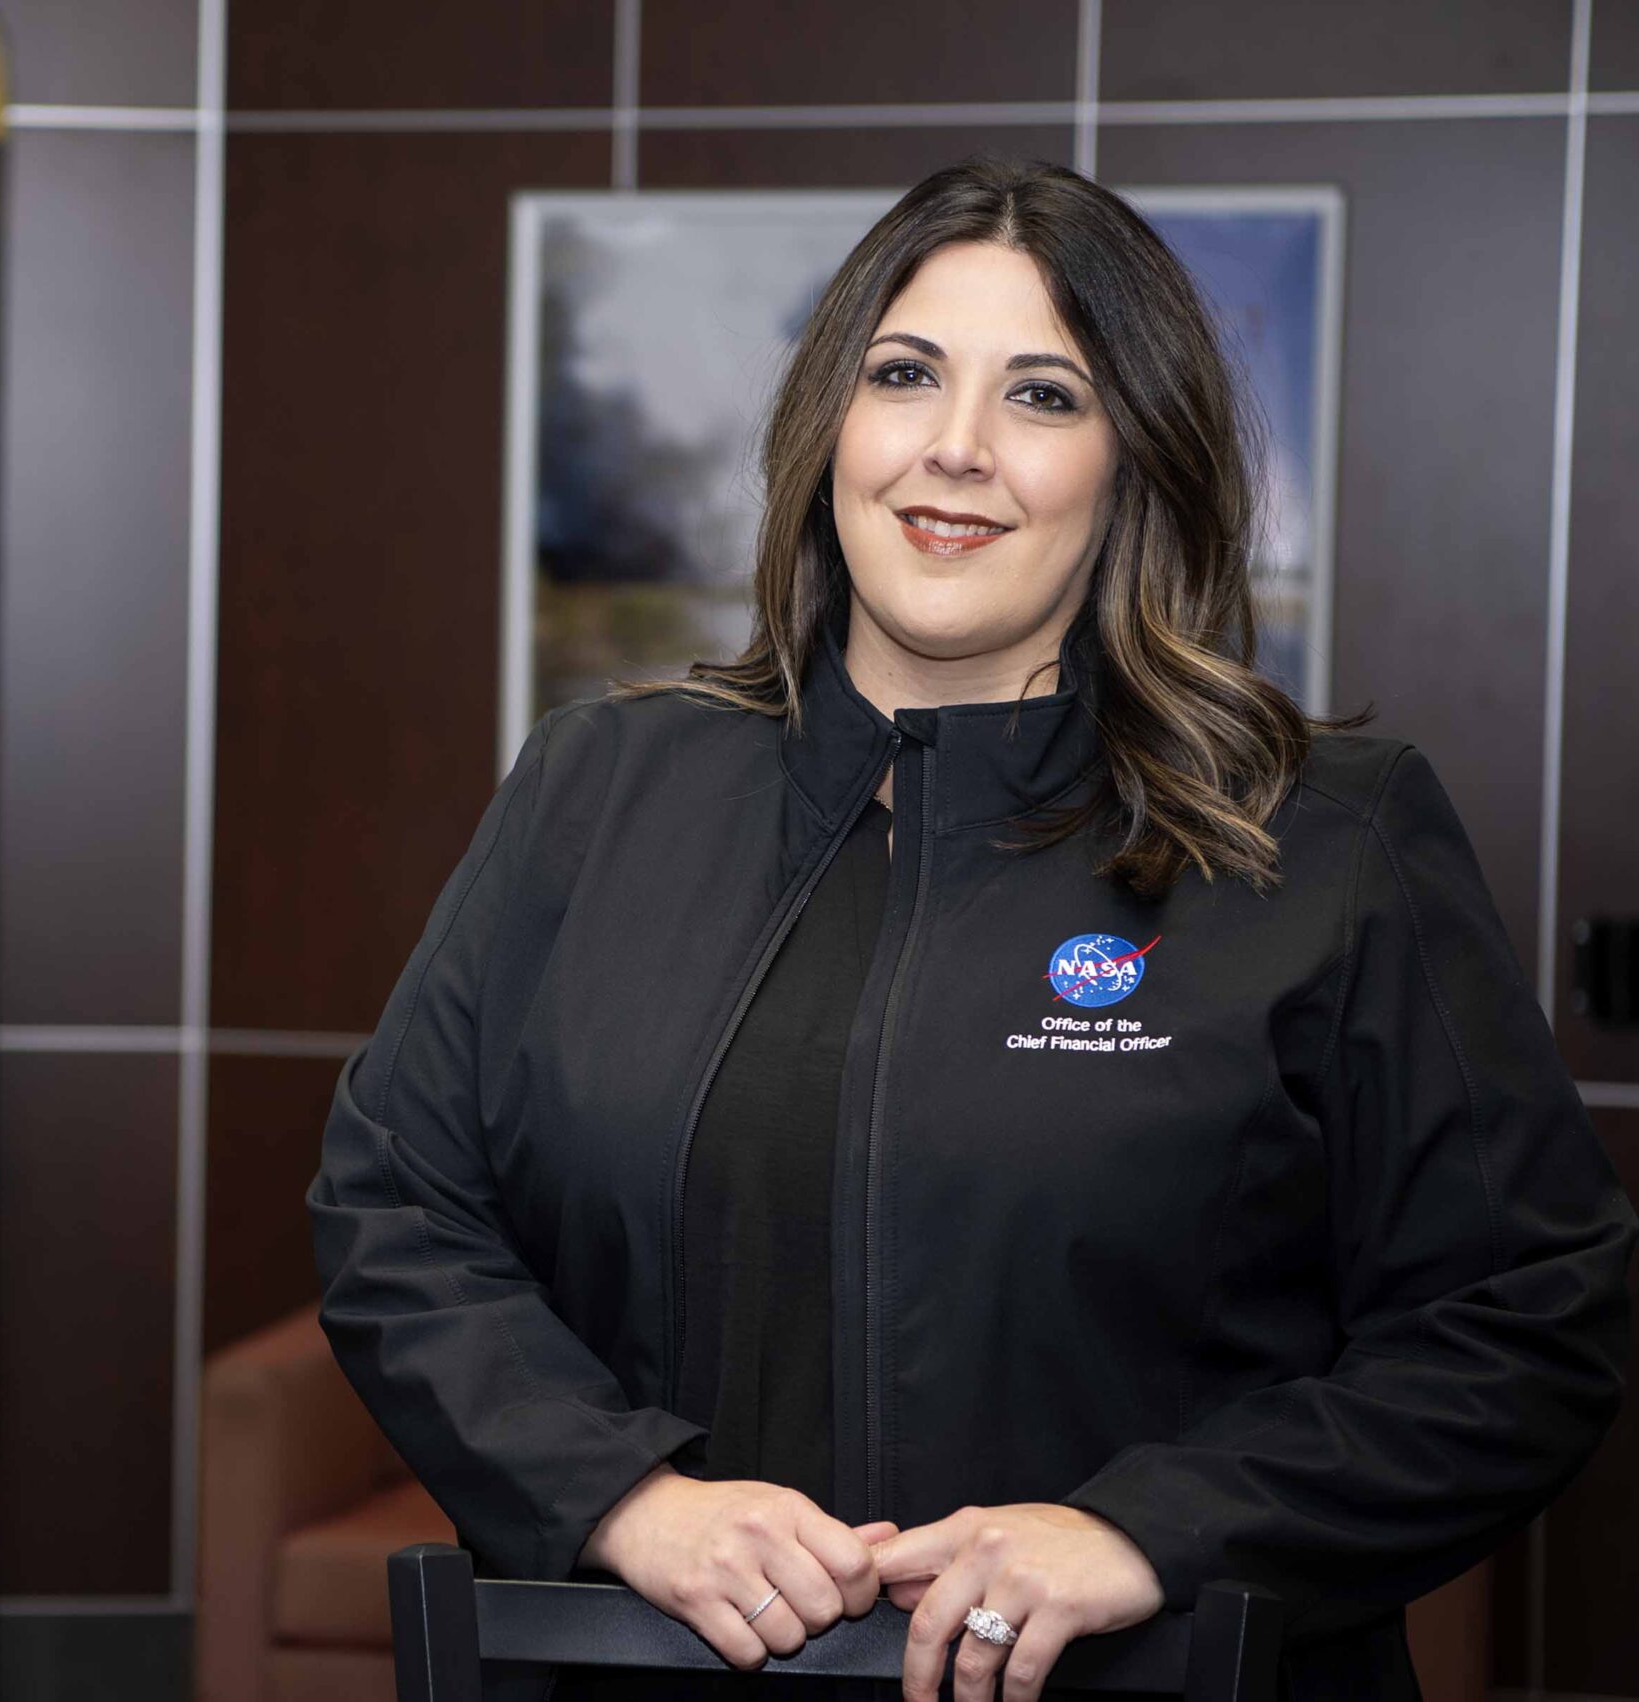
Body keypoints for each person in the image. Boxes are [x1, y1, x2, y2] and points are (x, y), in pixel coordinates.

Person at [306, 153, 1637, 1702]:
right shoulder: (598, 787)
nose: (957, 449)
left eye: (1045, 397)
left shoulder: (1324, 837)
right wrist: (619, 1493)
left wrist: (1149, 1528)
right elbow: (398, 1207)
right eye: (905, 374)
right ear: (829, 429)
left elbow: (1525, 1320)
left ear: (1136, 457)